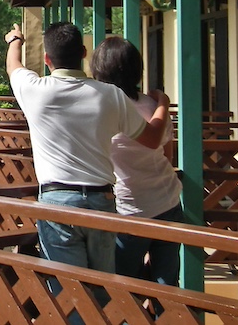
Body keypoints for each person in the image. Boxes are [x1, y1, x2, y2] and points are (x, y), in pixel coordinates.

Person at [5, 22, 170, 280]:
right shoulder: (111, 95)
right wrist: (163, 103)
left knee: (69, 290)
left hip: (57, 203)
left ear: (47, 58)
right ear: (83, 53)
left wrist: (15, 39)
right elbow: (152, 139)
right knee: (103, 289)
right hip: (101, 202)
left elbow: (13, 65)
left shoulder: (34, 90)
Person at [90, 36, 183, 295]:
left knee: (124, 289)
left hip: (130, 211)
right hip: (169, 202)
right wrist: (163, 102)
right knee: (167, 287)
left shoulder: (102, 112)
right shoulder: (154, 107)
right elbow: (168, 156)